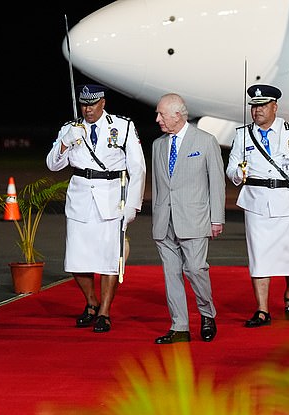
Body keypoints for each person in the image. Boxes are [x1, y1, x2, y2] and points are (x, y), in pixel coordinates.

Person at [46, 84, 146, 333]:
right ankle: (91, 303)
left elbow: (138, 168)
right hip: (80, 196)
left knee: (110, 260)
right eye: (84, 105)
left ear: (103, 102)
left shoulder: (122, 126)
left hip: (111, 196)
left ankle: (104, 312)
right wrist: (65, 144)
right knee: (77, 260)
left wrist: (133, 204)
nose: (87, 109)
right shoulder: (70, 128)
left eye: (92, 104)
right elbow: (52, 165)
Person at [226, 84, 289, 327]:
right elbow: (231, 168)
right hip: (256, 201)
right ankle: (262, 310)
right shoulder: (243, 134)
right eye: (254, 106)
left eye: (262, 105)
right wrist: (237, 173)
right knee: (259, 257)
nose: (257, 111)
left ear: (275, 106)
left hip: (287, 202)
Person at [151, 93, 225, 344]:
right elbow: (160, 186)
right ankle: (180, 326)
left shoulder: (205, 142)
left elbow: (217, 183)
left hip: (194, 218)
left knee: (195, 269)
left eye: (161, 114)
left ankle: (207, 313)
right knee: (171, 274)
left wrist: (217, 218)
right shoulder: (158, 145)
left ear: (178, 115)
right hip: (164, 221)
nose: (157, 119)